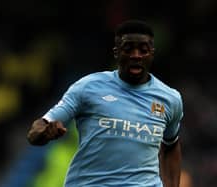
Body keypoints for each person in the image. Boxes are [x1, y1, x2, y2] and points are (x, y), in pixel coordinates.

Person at [27, 20, 184, 187]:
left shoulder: (169, 98)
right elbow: (36, 130)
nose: (136, 55)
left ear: (152, 53)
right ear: (116, 53)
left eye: (143, 50)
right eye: (128, 49)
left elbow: (171, 144)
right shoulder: (88, 87)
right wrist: (43, 133)